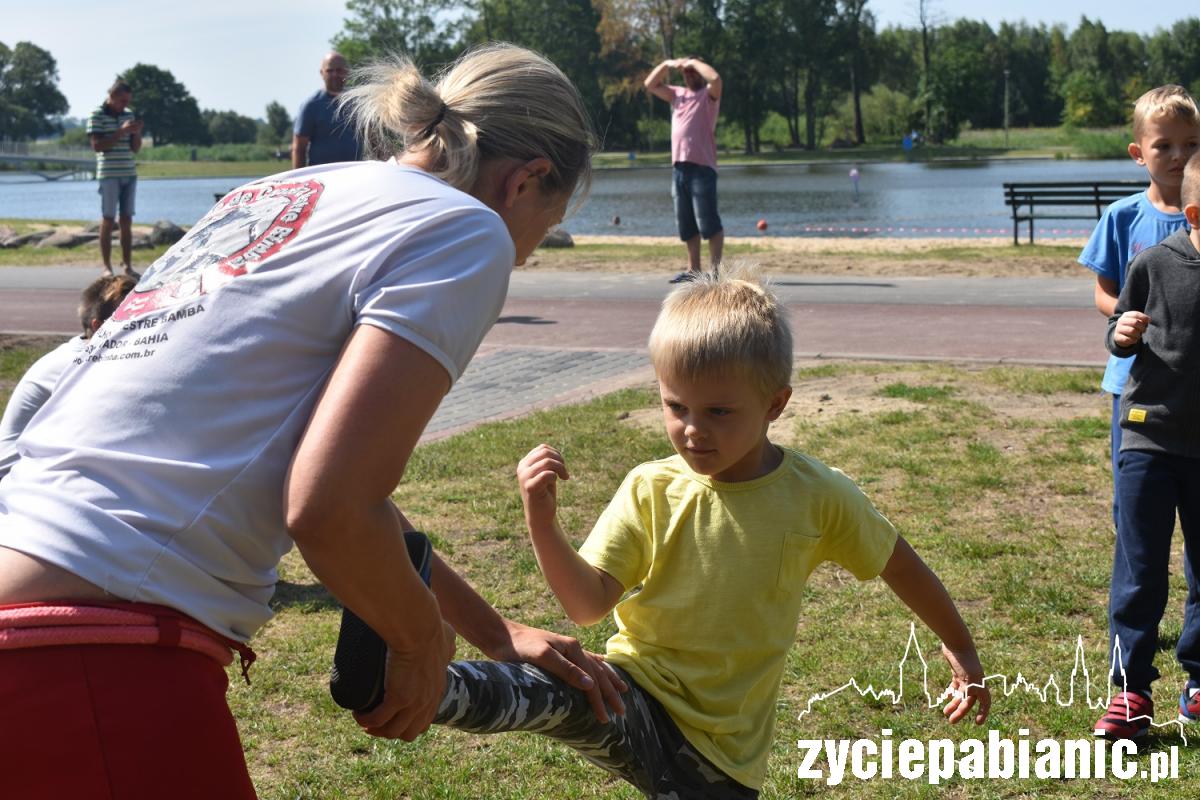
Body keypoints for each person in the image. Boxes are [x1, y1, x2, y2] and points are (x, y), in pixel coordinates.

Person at [0, 44, 619, 798]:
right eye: (540, 233)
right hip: (87, 646)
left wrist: (495, 634)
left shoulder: (276, 193)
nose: (519, 257)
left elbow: (324, 473)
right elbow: (327, 506)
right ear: (527, 181)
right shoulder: (466, 228)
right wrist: (420, 638)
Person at [432, 267, 991, 798]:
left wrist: (961, 646)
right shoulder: (651, 487)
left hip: (722, 753)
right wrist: (541, 519)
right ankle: (421, 684)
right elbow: (586, 604)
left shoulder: (819, 496)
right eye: (676, 406)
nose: (693, 431)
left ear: (776, 404)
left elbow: (899, 565)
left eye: (719, 412)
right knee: (542, 693)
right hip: (631, 694)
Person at [1097, 152, 1200, 740]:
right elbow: (1117, 332)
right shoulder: (1154, 265)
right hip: (1148, 437)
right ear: (1194, 213)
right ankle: (1131, 689)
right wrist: (1123, 332)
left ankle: (1198, 682)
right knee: (1140, 569)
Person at [1078, 85, 1200, 530]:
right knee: (1135, 503)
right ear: (1137, 152)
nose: (1178, 156)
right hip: (1134, 384)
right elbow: (1102, 293)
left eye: (1191, 144)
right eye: (1163, 145)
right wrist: (1127, 317)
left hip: (1192, 386)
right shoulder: (1122, 216)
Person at [0, 274, 136, 481]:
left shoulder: (89, 353)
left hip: (34, 470)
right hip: (14, 479)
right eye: (131, 322)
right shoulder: (80, 364)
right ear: (99, 327)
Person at [644, 56, 724, 283]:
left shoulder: (708, 96)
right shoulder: (677, 95)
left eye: (693, 72)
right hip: (679, 167)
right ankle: (694, 270)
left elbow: (716, 78)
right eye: (686, 73)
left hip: (702, 167)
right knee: (686, 222)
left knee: (708, 221)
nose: (689, 75)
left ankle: (717, 272)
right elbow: (650, 85)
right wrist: (668, 65)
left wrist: (692, 62)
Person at [87, 78, 144, 278]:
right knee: (108, 219)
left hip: (129, 172)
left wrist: (136, 133)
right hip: (109, 174)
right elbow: (97, 146)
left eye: (127, 101)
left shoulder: (129, 115)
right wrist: (121, 132)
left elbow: (135, 149)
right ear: (111, 97)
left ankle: (127, 265)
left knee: (127, 219)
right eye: (121, 101)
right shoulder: (96, 115)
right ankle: (106, 267)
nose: (125, 105)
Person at [292, 52, 362, 168]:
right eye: (330, 71)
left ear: (347, 72)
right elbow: (299, 148)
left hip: (354, 173)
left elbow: (373, 139)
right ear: (322, 73)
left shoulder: (357, 102)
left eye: (339, 70)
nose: (335, 74)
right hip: (322, 176)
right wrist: (299, 180)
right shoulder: (311, 105)